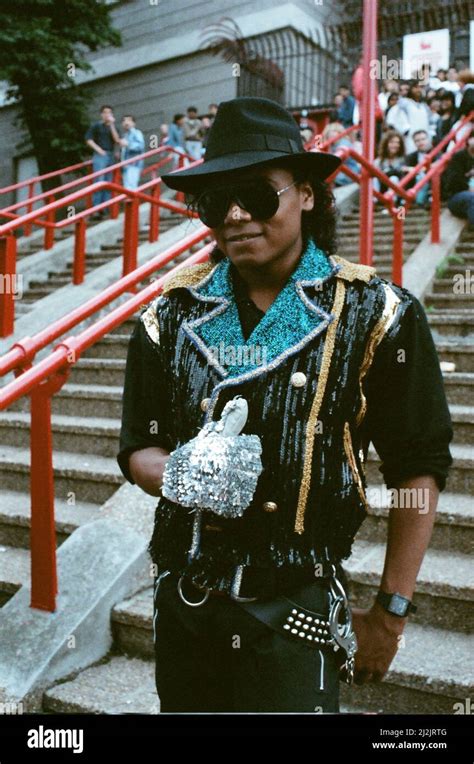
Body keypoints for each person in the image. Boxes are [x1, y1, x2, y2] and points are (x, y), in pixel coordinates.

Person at [117, 96, 453, 713]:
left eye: (258, 194)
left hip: (295, 616)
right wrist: (180, 474)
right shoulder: (168, 315)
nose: (238, 215)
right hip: (187, 610)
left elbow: (417, 466)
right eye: (217, 202)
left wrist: (392, 611)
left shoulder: (377, 313)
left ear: (306, 193)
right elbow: (139, 442)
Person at [85, 105, 121, 218]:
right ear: (101, 114)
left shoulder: (113, 127)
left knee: (108, 182)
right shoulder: (96, 126)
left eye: (109, 113)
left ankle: (105, 208)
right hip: (100, 155)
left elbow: (117, 140)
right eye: (105, 113)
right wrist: (98, 150)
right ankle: (96, 208)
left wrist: (112, 125)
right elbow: (88, 139)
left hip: (110, 154)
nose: (107, 115)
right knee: (99, 181)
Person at [443, 129, 474, 226]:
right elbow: (453, 181)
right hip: (458, 196)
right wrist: (468, 186)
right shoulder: (459, 157)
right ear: (469, 140)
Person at [373, 130, 407, 206]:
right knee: (374, 179)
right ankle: (374, 201)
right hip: (382, 187)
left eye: (397, 143)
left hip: (397, 187)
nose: (395, 145)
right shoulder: (379, 161)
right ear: (386, 144)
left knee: (393, 178)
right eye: (392, 142)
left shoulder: (403, 159)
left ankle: (392, 202)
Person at [397, 82, 431, 153]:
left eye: (420, 87)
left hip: (424, 137)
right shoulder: (404, 103)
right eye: (416, 87)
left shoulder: (424, 106)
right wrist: (407, 130)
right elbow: (401, 119)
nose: (418, 90)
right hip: (410, 138)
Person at [403, 129, 432, 206]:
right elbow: (404, 168)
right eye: (417, 140)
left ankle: (419, 201)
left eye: (423, 139)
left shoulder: (436, 152)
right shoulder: (411, 156)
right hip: (414, 182)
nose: (420, 142)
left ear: (428, 139)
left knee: (422, 176)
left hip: (431, 182)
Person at [119, 115, 145, 191]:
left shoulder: (136, 133)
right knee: (127, 188)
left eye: (129, 120)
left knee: (131, 188)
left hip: (133, 164)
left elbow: (140, 146)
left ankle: (133, 202)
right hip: (125, 165)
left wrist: (128, 144)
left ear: (134, 123)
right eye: (124, 120)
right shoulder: (125, 135)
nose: (126, 122)